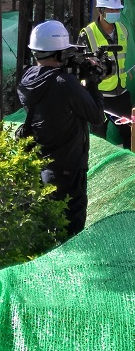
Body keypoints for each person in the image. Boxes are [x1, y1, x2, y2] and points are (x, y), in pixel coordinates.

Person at [18, 21, 105, 236]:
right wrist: (92, 82)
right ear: (59, 53)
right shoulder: (64, 84)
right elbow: (96, 117)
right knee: (70, 230)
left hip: (43, 167)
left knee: (46, 228)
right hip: (69, 169)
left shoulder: (28, 79)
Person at [78, 0, 132, 149]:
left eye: (117, 10)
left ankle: (133, 163)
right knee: (98, 138)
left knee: (132, 133)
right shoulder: (87, 33)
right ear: (100, 10)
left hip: (121, 93)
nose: (115, 13)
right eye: (111, 10)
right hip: (99, 94)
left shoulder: (122, 30)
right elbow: (81, 64)